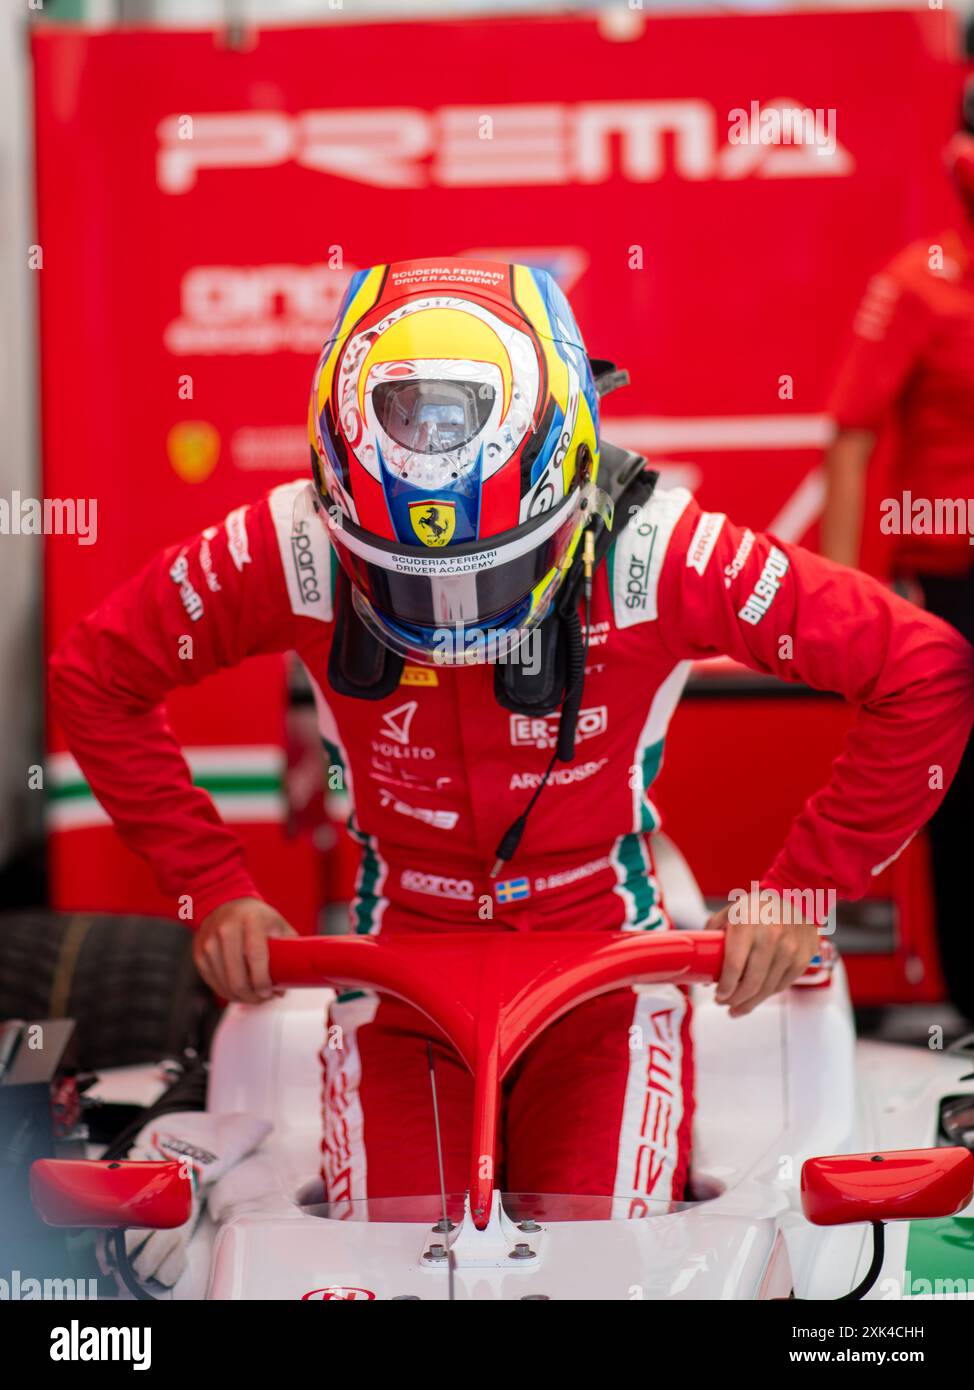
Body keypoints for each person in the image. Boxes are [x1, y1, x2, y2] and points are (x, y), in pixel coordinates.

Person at [51, 258, 974, 1216]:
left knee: (599, 1248)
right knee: (383, 1257)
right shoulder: (292, 543)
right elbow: (95, 675)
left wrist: (805, 887)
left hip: (608, 976)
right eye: (405, 573)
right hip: (397, 968)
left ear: (566, 485)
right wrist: (212, 888)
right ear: (336, 499)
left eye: (485, 569)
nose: (448, 614)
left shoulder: (657, 550)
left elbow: (925, 670)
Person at [820, 129, 974, 1015]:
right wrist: (838, 606)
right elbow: (852, 432)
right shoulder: (919, 283)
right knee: (955, 803)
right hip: (951, 591)